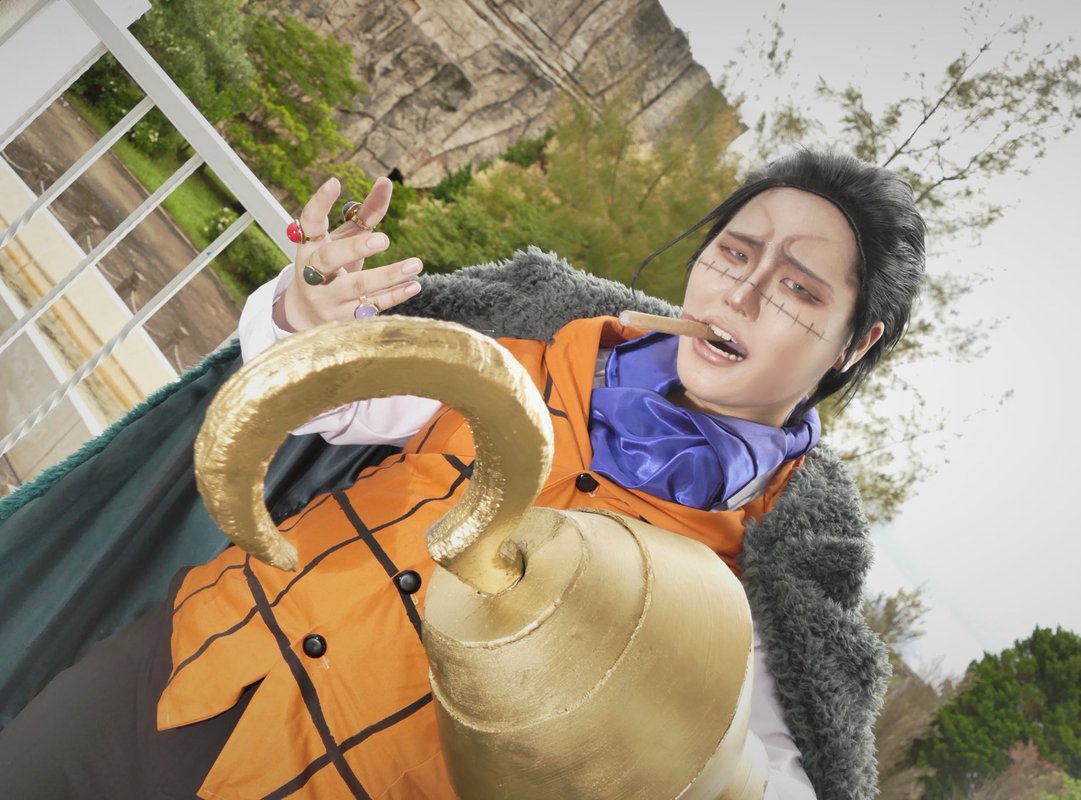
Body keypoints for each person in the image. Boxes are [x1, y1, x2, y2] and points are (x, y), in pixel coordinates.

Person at [0, 149, 925, 799]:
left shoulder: (767, 583)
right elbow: (319, 399)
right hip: (169, 686)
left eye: (799, 289)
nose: (743, 293)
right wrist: (309, 311)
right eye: (735, 251)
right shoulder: (525, 352)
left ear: (855, 344)